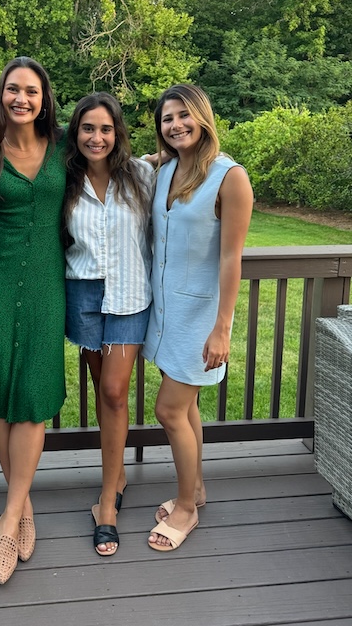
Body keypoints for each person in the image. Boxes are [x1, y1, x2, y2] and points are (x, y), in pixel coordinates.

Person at [144, 83, 253, 552]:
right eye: (168, 119)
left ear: (203, 117)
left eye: (184, 116)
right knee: (186, 408)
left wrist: (223, 328)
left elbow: (232, 259)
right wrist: (152, 160)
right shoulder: (166, 169)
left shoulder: (230, 177)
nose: (176, 125)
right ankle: (199, 489)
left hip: (199, 316)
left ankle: (186, 508)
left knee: (168, 409)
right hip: (165, 311)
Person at [0, 56, 66, 584]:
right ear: (1, 96)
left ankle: (7, 518)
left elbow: (109, 154)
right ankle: (21, 507)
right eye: (13, 89)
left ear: (44, 98)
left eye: (31, 91)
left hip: (50, 282)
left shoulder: (66, 144)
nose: (21, 99)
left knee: (32, 392)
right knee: (2, 394)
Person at [63, 93, 155, 557]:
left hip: (130, 294)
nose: (96, 137)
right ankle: (116, 474)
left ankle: (107, 503)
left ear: (117, 133)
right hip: (83, 294)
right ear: (75, 132)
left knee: (116, 392)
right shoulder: (64, 178)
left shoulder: (142, 175)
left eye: (105, 129)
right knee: (103, 389)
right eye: (87, 128)